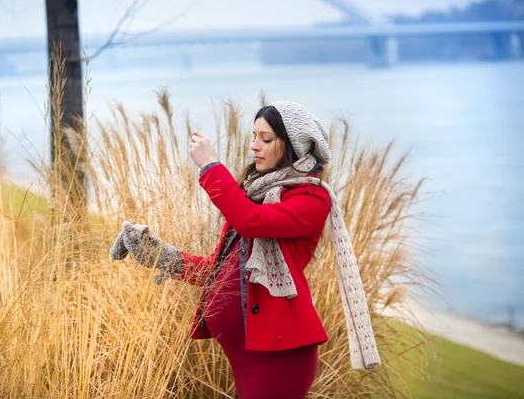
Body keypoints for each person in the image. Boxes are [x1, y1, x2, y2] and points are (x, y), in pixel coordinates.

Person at [110, 101, 381, 399]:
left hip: (280, 358)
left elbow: (252, 222)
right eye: (253, 137)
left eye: (266, 139)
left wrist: (210, 167)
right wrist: (156, 252)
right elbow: (218, 272)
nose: (254, 146)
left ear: (293, 147)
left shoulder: (311, 199)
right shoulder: (255, 194)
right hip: (247, 356)